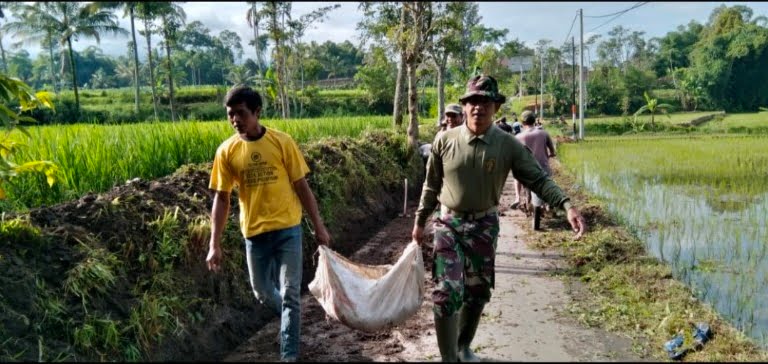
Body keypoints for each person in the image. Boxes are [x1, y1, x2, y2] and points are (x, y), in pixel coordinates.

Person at [412, 75, 587, 362]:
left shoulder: (508, 145)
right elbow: (431, 186)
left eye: (485, 102)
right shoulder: (444, 140)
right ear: (465, 106)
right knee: (446, 293)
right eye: (472, 102)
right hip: (449, 224)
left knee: (478, 291)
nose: (478, 108)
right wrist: (420, 222)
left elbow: (538, 180)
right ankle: (448, 359)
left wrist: (567, 205)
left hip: (484, 225)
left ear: (495, 107)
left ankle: (463, 346)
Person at [206, 85, 331, 362]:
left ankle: (289, 354)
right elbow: (222, 199)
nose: (235, 120)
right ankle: (292, 321)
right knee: (262, 292)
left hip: (288, 230)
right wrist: (214, 244)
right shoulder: (226, 151)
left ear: (257, 112)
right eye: (230, 115)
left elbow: (302, 186)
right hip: (254, 234)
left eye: (240, 113)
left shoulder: (282, 142)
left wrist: (318, 226)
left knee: (289, 294)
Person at [512, 110, 558, 215]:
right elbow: (552, 151)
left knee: (516, 175)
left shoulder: (518, 137)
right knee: (548, 183)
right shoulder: (544, 133)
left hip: (526, 170)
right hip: (543, 168)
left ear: (522, 123)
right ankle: (548, 201)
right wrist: (550, 155)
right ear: (534, 121)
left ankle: (517, 197)